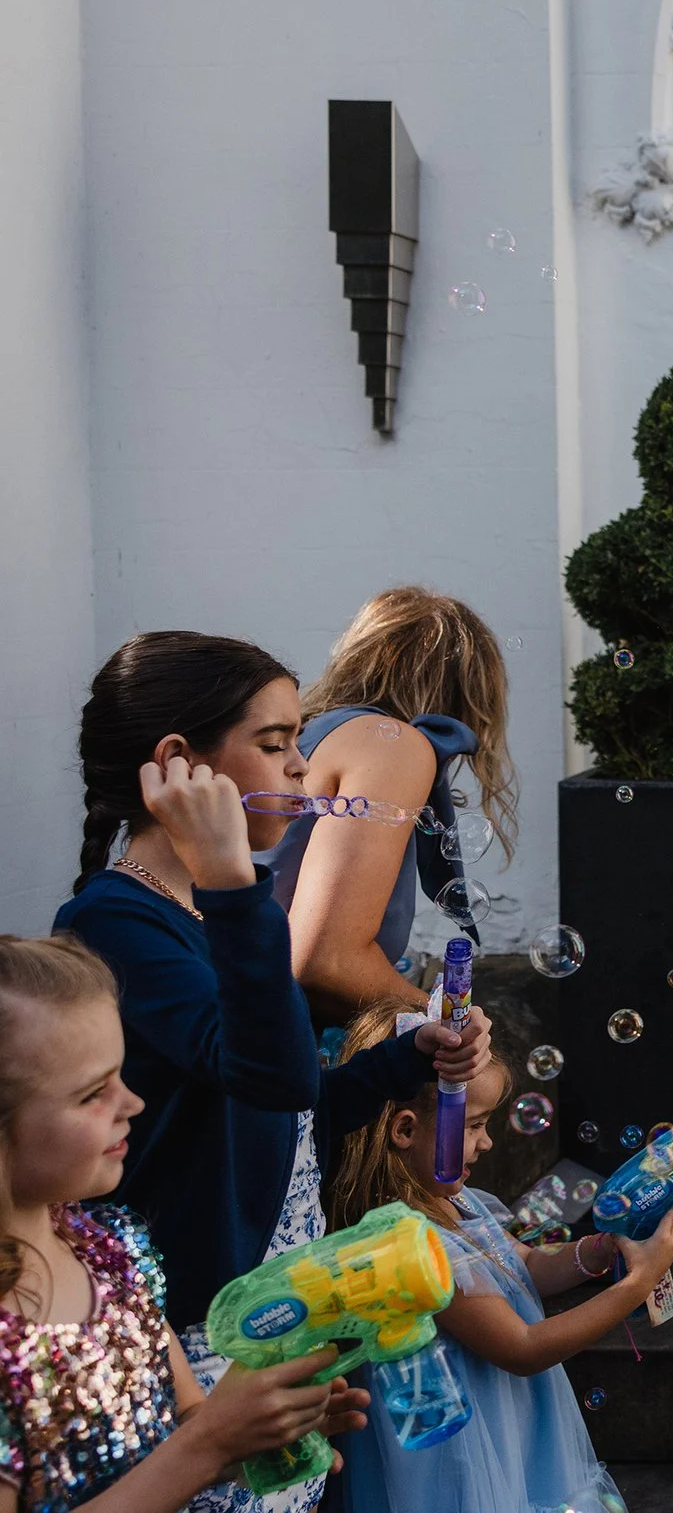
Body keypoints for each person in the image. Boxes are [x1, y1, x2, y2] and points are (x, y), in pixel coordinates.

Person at [55, 633, 490, 1513]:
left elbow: (290, 1119)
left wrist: (409, 1056)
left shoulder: (211, 911)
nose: (302, 768)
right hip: (198, 1351)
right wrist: (229, 878)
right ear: (180, 765)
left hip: (270, 1323)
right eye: (275, 742)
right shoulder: (119, 925)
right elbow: (275, 1074)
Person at [0, 934, 368, 1513]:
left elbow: (187, 1416)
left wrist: (252, 1437)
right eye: (94, 1093)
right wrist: (209, 1442)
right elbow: (193, 1444)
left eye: (123, 1075)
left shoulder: (113, 1248)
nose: (133, 1104)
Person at [325, 1007, 673, 1513]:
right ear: (404, 1130)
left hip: (509, 1439)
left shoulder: (461, 1204)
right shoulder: (407, 1246)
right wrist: (636, 1287)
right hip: (459, 1466)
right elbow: (523, 1346)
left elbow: (526, 1266)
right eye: (474, 1126)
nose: (486, 1143)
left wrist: (597, 1251)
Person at [270, 588, 514, 1021]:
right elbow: (327, 963)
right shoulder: (390, 743)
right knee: (485, 1079)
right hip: (265, 1039)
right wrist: (447, 1022)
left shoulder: (312, 736)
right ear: (469, 694)